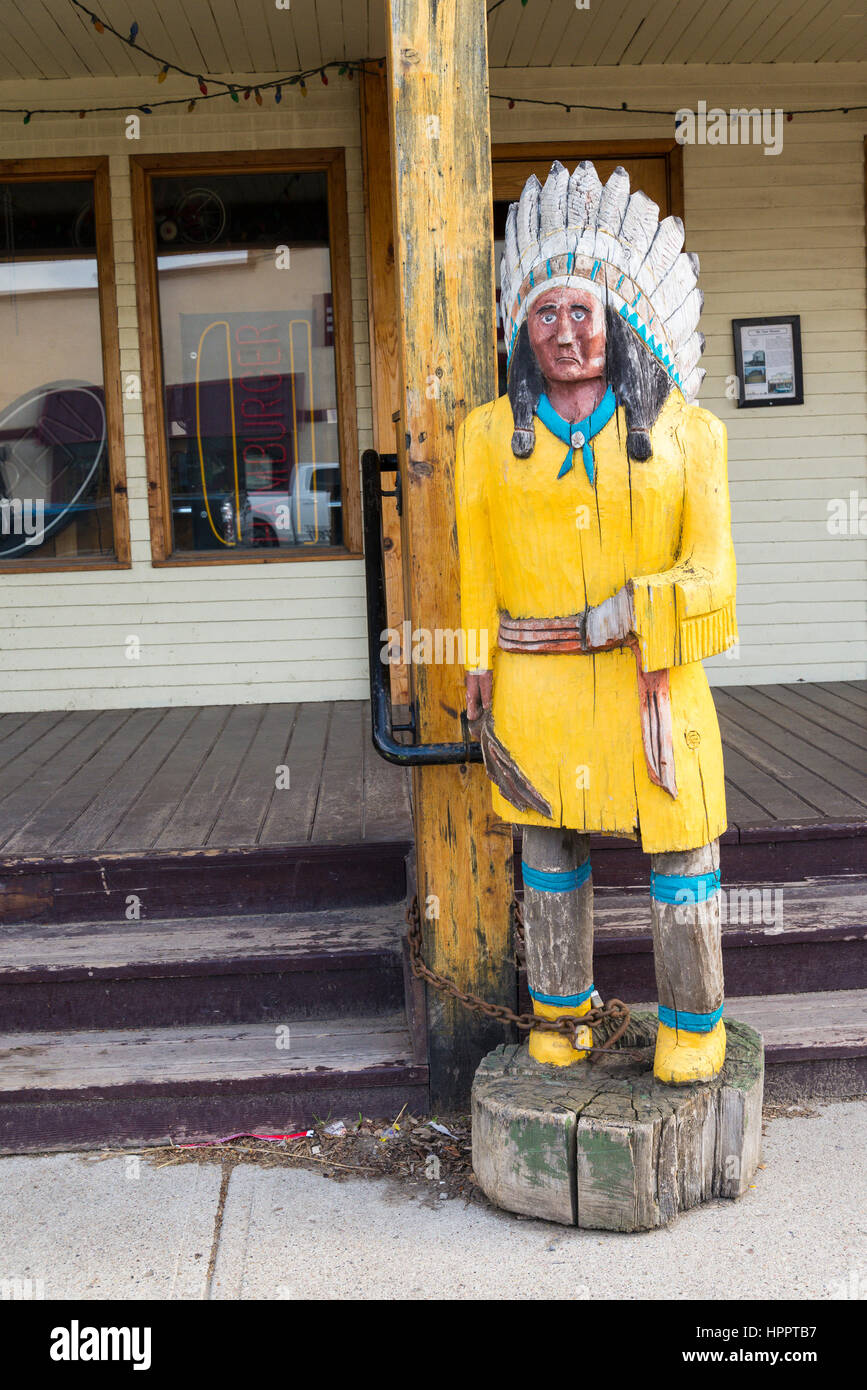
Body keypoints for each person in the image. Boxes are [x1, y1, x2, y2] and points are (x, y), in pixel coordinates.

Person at [456, 161, 737, 1084]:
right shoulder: (486, 437)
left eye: (582, 312)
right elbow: (473, 567)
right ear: (520, 330)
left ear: (616, 320)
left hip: (651, 686)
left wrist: (642, 608)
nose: (565, 333)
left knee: (680, 851)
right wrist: (471, 665)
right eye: (545, 313)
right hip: (536, 686)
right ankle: (560, 1013)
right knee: (548, 847)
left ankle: (693, 1024)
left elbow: (718, 580)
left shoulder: (689, 433)